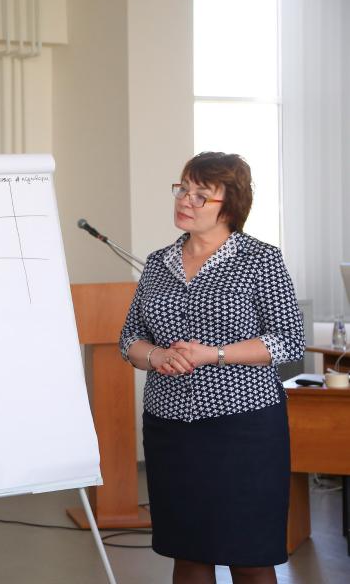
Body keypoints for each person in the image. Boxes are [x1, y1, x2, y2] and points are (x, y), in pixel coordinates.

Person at [119, 152, 304, 584]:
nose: (186, 200)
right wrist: (156, 356)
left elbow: (287, 339)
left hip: (243, 427)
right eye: (183, 189)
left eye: (201, 195)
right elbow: (129, 338)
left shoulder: (260, 259)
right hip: (170, 428)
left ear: (230, 205)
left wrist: (214, 354)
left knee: (250, 556)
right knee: (188, 554)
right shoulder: (158, 263)